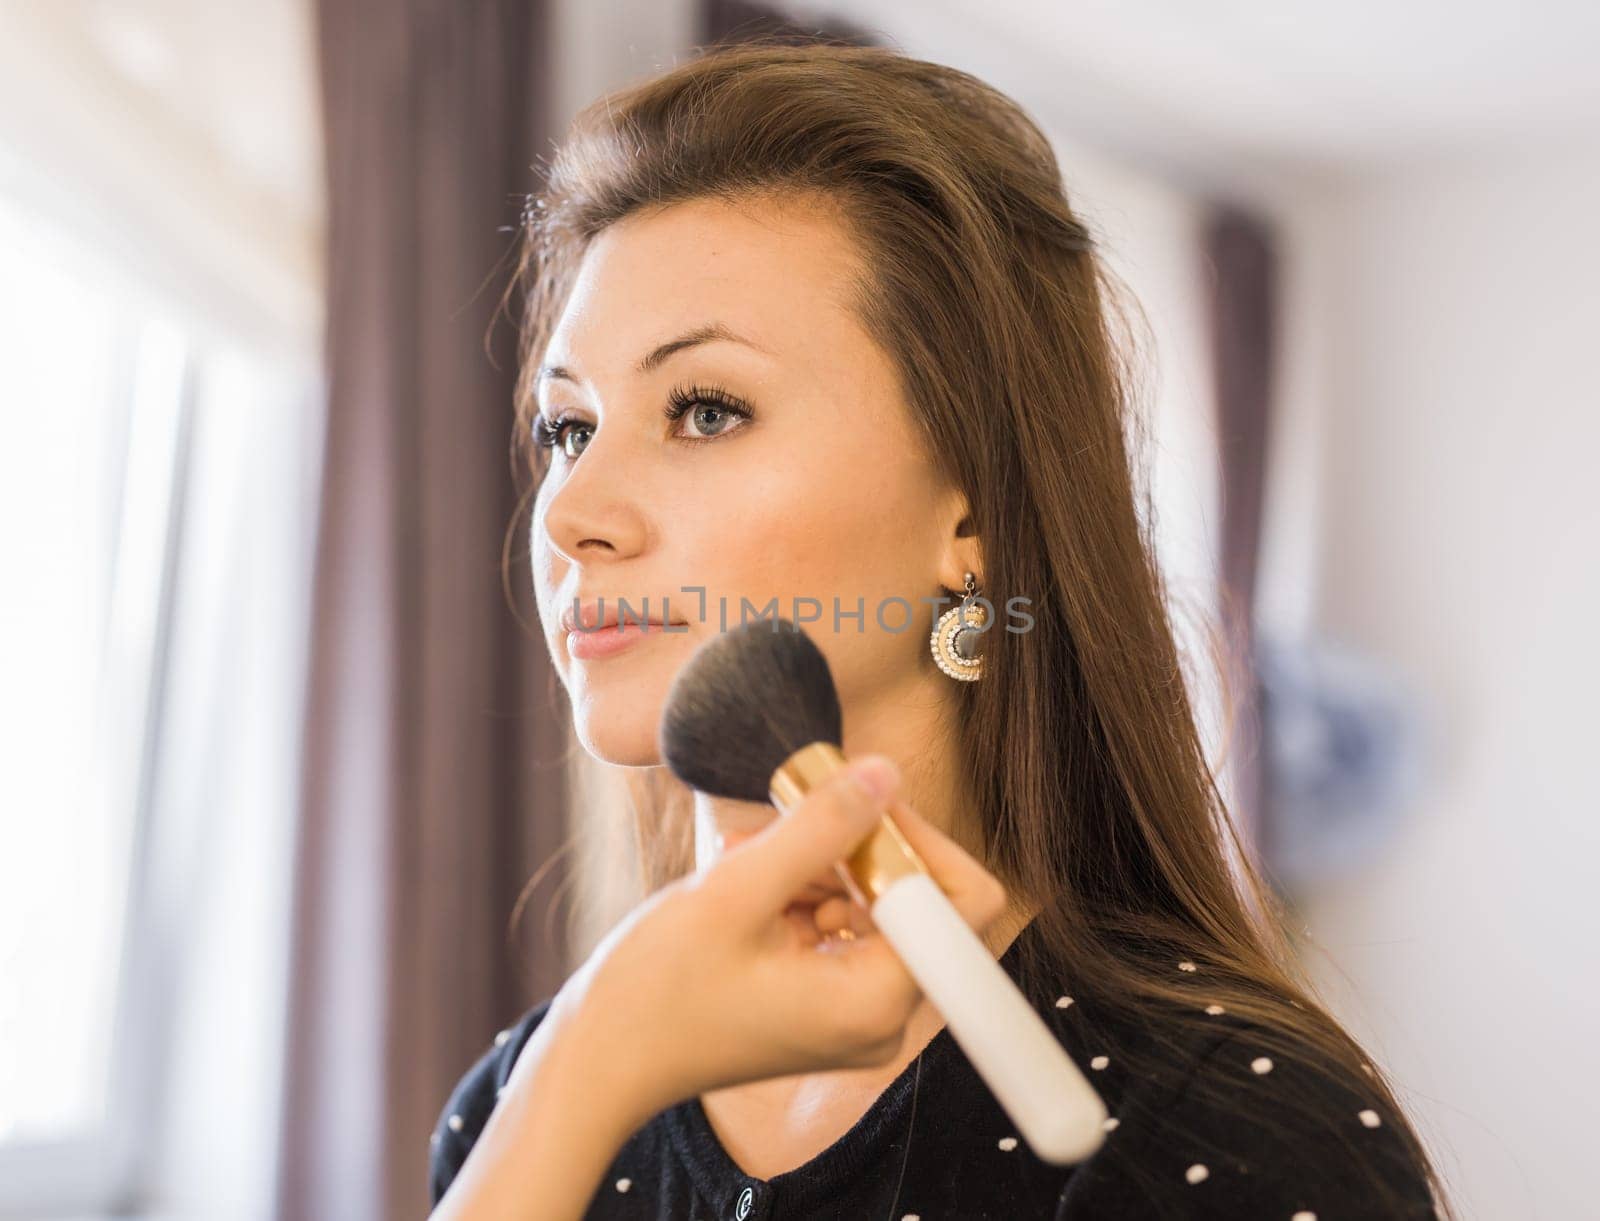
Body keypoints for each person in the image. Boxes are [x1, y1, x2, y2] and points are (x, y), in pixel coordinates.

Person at [428, 37, 1453, 1220]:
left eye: (705, 409)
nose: (573, 513)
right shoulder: (519, 1107)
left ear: (968, 512)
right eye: (567, 427)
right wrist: (582, 1071)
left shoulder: (1236, 1135)